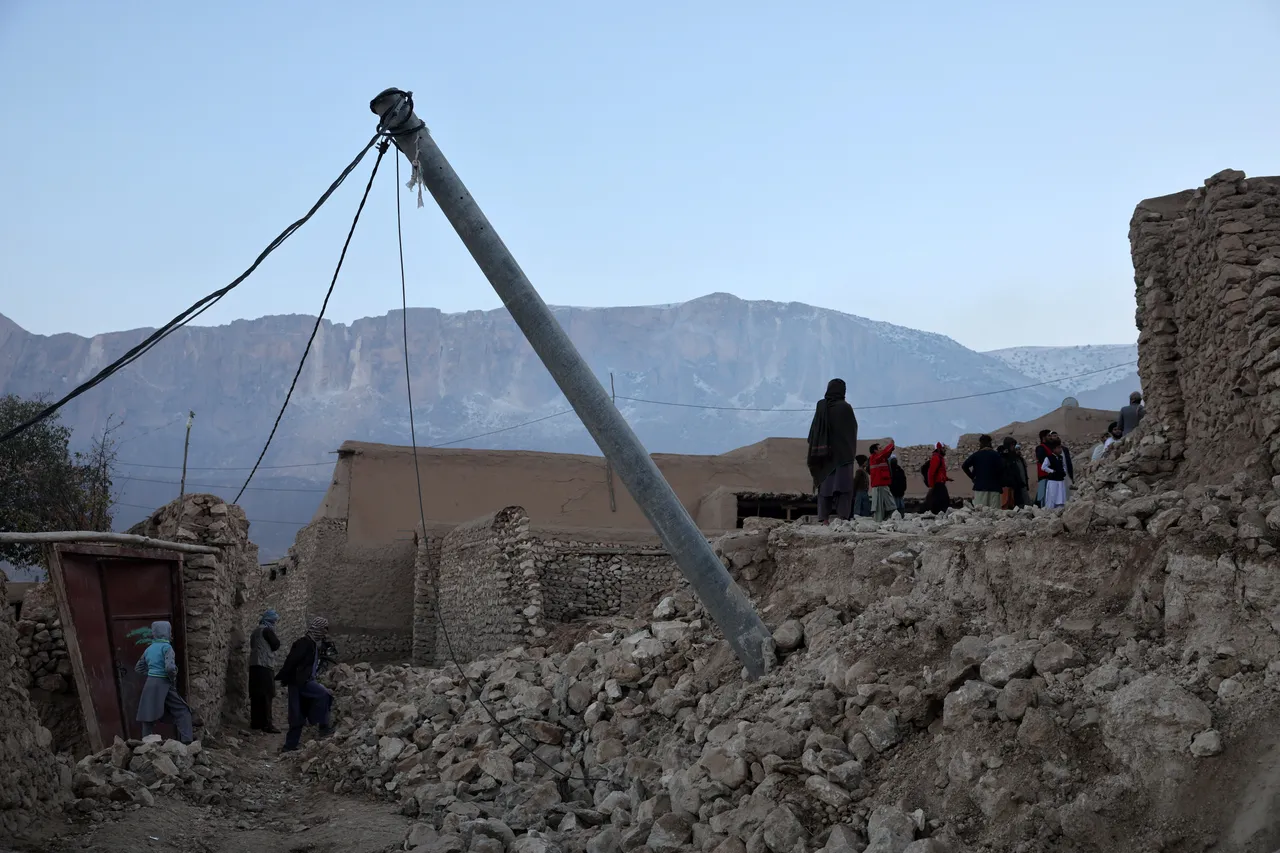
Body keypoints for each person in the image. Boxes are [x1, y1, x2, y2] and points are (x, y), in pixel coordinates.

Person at [276, 616, 336, 753]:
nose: (325, 633)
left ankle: (318, 725)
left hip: (305, 681)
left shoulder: (313, 643)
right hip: (299, 682)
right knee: (300, 712)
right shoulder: (304, 643)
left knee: (302, 711)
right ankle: (291, 745)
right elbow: (291, 662)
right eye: (324, 629)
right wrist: (286, 677)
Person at [806, 378, 859, 523]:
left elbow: (814, 432)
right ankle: (843, 517)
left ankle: (823, 519)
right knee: (843, 488)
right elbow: (851, 430)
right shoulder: (845, 408)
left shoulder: (821, 406)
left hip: (823, 456)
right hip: (843, 456)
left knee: (825, 489)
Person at [133, 620, 194, 744]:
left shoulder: (149, 649)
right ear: (167, 632)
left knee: (148, 713)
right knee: (182, 710)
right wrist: (172, 677)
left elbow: (138, 667)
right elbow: (170, 668)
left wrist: (152, 673)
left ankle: (145, 744)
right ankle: (188, 743)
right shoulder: (167, 648)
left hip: (150, 683)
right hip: (164, 683)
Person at [249, 609, 282, 733]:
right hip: (264, 666)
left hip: (253, 666)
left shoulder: (255, 631)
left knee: (256, 695)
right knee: (267, 695)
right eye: (274, 621)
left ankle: (256, 722)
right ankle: (267, 724)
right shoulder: (267, 630)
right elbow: (276, 644)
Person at [962, 435, 1004, 510]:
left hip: (980, 488)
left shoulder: (976, 455)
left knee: (980, 514)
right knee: (995, 514)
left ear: (980, 443)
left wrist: (972, 477)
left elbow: (964, 466)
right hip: (994, 488)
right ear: (990, 443)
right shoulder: (996, 455)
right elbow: (1002, 470)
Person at [868, 440, 897, 521]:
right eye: (879, 448)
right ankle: (879, 521)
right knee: (879, 506)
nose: (881, 449)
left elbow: (886, 453)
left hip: (882, 484)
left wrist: (891, 447)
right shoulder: (874, 458)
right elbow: (885, 452)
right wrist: (891, 445)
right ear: (875, 450)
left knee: (887, 504)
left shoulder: (881, 458)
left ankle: (884, 519)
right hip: (878, 485)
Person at [1000, 437, 1030, 509]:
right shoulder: (1004, 457)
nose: (1014, 448)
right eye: (1012, 446)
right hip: (1009, 487)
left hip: (1019, 486)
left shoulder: (1017, 458)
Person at [1039, 436, 1069, 509]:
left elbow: (1064, 465)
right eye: (1058, 448)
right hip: (1053, 481)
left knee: (1061, 498)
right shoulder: (1049, 458)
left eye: (1060, 448)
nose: (1060, 450)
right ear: (1054, 449)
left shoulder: (1060, 458)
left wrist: (1063, 471)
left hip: (1060, 481)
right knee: (1052, 498)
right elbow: (1043, 467)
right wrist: (1052, 471)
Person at [924, 443, 951, 514]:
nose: (944, 451)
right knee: (941, 502)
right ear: (939, 449)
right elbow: (931, 472)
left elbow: (940, 472)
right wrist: (931, 485)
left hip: (940, 483)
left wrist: (946, 478)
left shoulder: (940, 458)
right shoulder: (936, 458)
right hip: (938, 484)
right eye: (943, 449)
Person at [1034, 430, 1052, 507]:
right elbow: (1043, 460)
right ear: (1043, 437)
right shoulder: (1040, 448)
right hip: (1044, 476)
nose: (1050, 437)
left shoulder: (1050, 447)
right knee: (1043, 496)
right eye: (1048, 436)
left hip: (1050, 476)